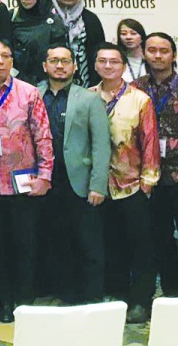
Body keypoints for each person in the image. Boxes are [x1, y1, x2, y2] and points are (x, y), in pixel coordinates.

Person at [0, 38, 53, 322]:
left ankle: (25, 299)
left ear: (12, 61)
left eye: (5, 56)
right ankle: (3, 299)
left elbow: (43, 136)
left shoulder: (29, 93)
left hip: (22, 182)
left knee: (24, 243)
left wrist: (45, 175)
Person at [38, 42, 110, 305]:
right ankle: (64, 294)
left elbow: (102, 144)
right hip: (46, 182)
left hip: (81, 182)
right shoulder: (34, 94)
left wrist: (98, 185)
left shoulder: (89, 98)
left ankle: (92, 297)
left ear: (75, 65)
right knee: (57, 240)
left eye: (65, 61)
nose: (60, 65)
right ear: (45, 65)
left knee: (89, 243)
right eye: (54, 60)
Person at [92, 43, 159, 323]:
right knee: (110, 244)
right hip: (99, 187)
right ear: (95, 64)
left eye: (114, 62)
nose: (108, 66)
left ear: (123, 66)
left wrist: (147, 181)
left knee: (140, 246)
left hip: (132, 185)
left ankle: (141, 301)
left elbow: (150, 142)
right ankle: (116, 297)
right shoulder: (88, 97)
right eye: (103, 61)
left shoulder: (139, 99)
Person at [130, 32, 178, 297]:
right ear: (144, 53)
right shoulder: (135, 89)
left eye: (164, 50)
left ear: (174, 55)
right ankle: (170, 292)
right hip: (148, 178)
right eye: (152, 50)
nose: (158, 56)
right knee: (157, 237)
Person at [8, 0, 66, 86]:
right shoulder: (12, 16)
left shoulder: (53, 20)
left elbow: (59, 52)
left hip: (46, 81)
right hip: (16, 80)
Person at [54, 0, 107, 89]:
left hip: (86, 80)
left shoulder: (90, 19)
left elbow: (99, 50)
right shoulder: (48, 18)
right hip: (54, 79)